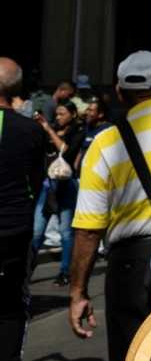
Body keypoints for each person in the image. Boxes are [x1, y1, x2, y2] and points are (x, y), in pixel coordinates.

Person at [69, 52, 151, 361]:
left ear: (119, 92)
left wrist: (78, 292)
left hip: (130, 267)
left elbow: (88, 228)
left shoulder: (105, 142)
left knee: (133, 357)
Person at [0, 57, 47, 361]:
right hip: (13, 232)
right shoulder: (31, 130)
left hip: (12, 227)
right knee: (9, 304)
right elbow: (36, 181)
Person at [30, 101, 86, 287]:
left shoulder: (77, 132)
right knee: (37, 231)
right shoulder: (50, 129)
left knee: (66, 233)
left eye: (62, 113)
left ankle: (65, 272)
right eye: (57, 114)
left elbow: (67, 152)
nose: (58, 117)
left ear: (72, 114)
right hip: (47, 186)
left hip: (65, 185)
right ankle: (27, 270)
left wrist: (48, 129)